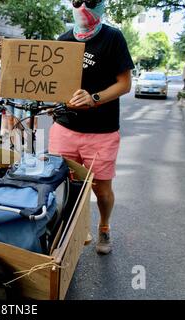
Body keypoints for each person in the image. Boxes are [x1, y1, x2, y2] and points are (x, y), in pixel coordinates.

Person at [49, 0, 134, 254]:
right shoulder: (63, 40)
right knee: (61, 182)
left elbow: (125, 84)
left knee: (101, 187)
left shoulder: (113, 38)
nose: (84, 6)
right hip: (65, 129)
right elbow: (52, 83)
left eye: (91, 0)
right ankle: (70, 230)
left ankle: (104, 227)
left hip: (102, 132)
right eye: (77, 1)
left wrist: (94, 98)